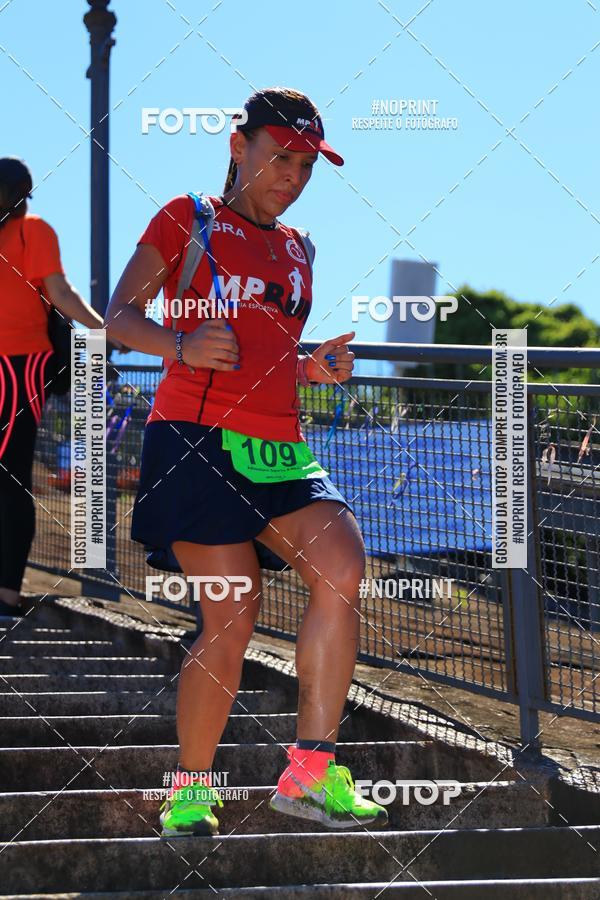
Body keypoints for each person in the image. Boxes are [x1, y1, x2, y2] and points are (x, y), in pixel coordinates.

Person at [105, 87, 387, 836]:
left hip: (280, 447)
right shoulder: (188, 217)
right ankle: (191, 792)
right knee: (232, 617)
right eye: (281, 157)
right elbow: (119, 314)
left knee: (343, 567)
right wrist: (179, 344)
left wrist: (309, 367)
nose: (293, 175)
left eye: (306, 165)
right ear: (239, 146)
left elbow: (263, 354)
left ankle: (310, 776)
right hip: (195, 441)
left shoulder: (300, 248)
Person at [0, 157, 119, 617]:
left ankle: (6, 594)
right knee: (9, 480)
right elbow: (62, 295)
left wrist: (103, 330)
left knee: (9, 479)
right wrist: (106, 331)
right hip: (15, 366)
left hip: (19, 364)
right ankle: (6, 594)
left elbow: (59, 295)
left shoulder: (31, 232)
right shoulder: (30, 231)